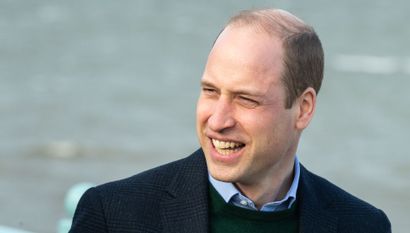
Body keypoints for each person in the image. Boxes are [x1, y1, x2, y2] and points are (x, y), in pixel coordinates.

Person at [69, 8, 391, 233]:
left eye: (245, 99)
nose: (217, 120)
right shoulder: (113, 215)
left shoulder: (364, 226)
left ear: (304, 109)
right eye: (210, 91)